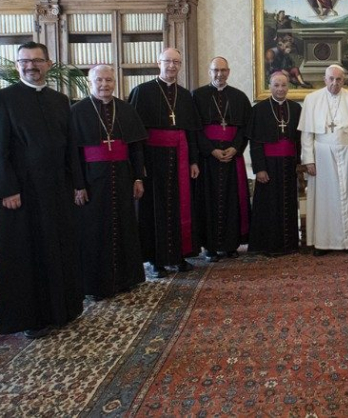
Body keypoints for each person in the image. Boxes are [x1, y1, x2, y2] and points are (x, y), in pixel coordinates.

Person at [0, 42, 84, 338]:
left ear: (48, 64)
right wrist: (8, 189)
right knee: (30, 253)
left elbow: (70, 146)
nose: (30, 66)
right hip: (23, 193)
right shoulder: (5, 99)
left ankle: (63, 310)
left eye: (37, 60)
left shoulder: (60, 100)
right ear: (17, 65)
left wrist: (77, 184)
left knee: (59, 247)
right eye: (24, 61)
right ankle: (33, 318)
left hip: (57, 189)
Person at [71, 64, 147, 300]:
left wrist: (138, 178)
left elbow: (136, 147)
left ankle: (125, 279)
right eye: (99, 80)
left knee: (124, 226)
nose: (104, 84)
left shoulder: (126, 109)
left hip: (123, 177)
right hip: (92, 180)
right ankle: (97, 285)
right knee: (94, 230)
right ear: (90, 82)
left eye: (109, 80)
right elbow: (72, 154)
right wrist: (78, 185)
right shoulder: (77, 111)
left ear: (115, 82)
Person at [129, 48, 202, 278]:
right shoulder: (142, 91)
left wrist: (193, 161)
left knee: (180, 206)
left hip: (180, 158)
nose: (172, 66)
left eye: (176, 62)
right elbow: (135, 134)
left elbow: (191, 132)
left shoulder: (185, 95)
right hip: (153, 160)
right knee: (154, 208)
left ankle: (178, 256)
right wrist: (139, 165)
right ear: (158, 62)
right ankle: (155, 260)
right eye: (168, 61)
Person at [298, 64, 348, 254]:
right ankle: (322, 243)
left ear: (343, 80)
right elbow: (307, 135)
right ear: (325, 79)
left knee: (347, 197)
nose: (334, 83)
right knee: (323, 201)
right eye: (331, 79)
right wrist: (309, 160)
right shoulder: (312, 99)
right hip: (321, 156)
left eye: (338, 79)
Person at [192, 57, 252, 262]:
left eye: (223, 70)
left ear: (229, 71)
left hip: (232, 158)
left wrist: (235, 148)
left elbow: (245, 128)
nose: (220, 74)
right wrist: (211, 150)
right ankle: (209, 246)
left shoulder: (239, 97)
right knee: (207, 201)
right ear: (209, 71)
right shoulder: (197, 95)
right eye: (215, 70)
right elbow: (195, 129)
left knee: (232, 201)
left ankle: (230, 245)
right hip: (208, 159)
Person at [247, 71, 302, 256]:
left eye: (284, 85)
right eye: (276, 85)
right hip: (268, 165)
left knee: (288, 203)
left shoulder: (296, 108)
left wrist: (299, 164)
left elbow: (300, 140)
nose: (280, 89)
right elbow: (255, 143)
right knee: (269, 204)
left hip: (289, 164)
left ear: (288, 87)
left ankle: (290, 244)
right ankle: (269, 245)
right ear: (269, 86)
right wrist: (259, 169)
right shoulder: (259, 109)